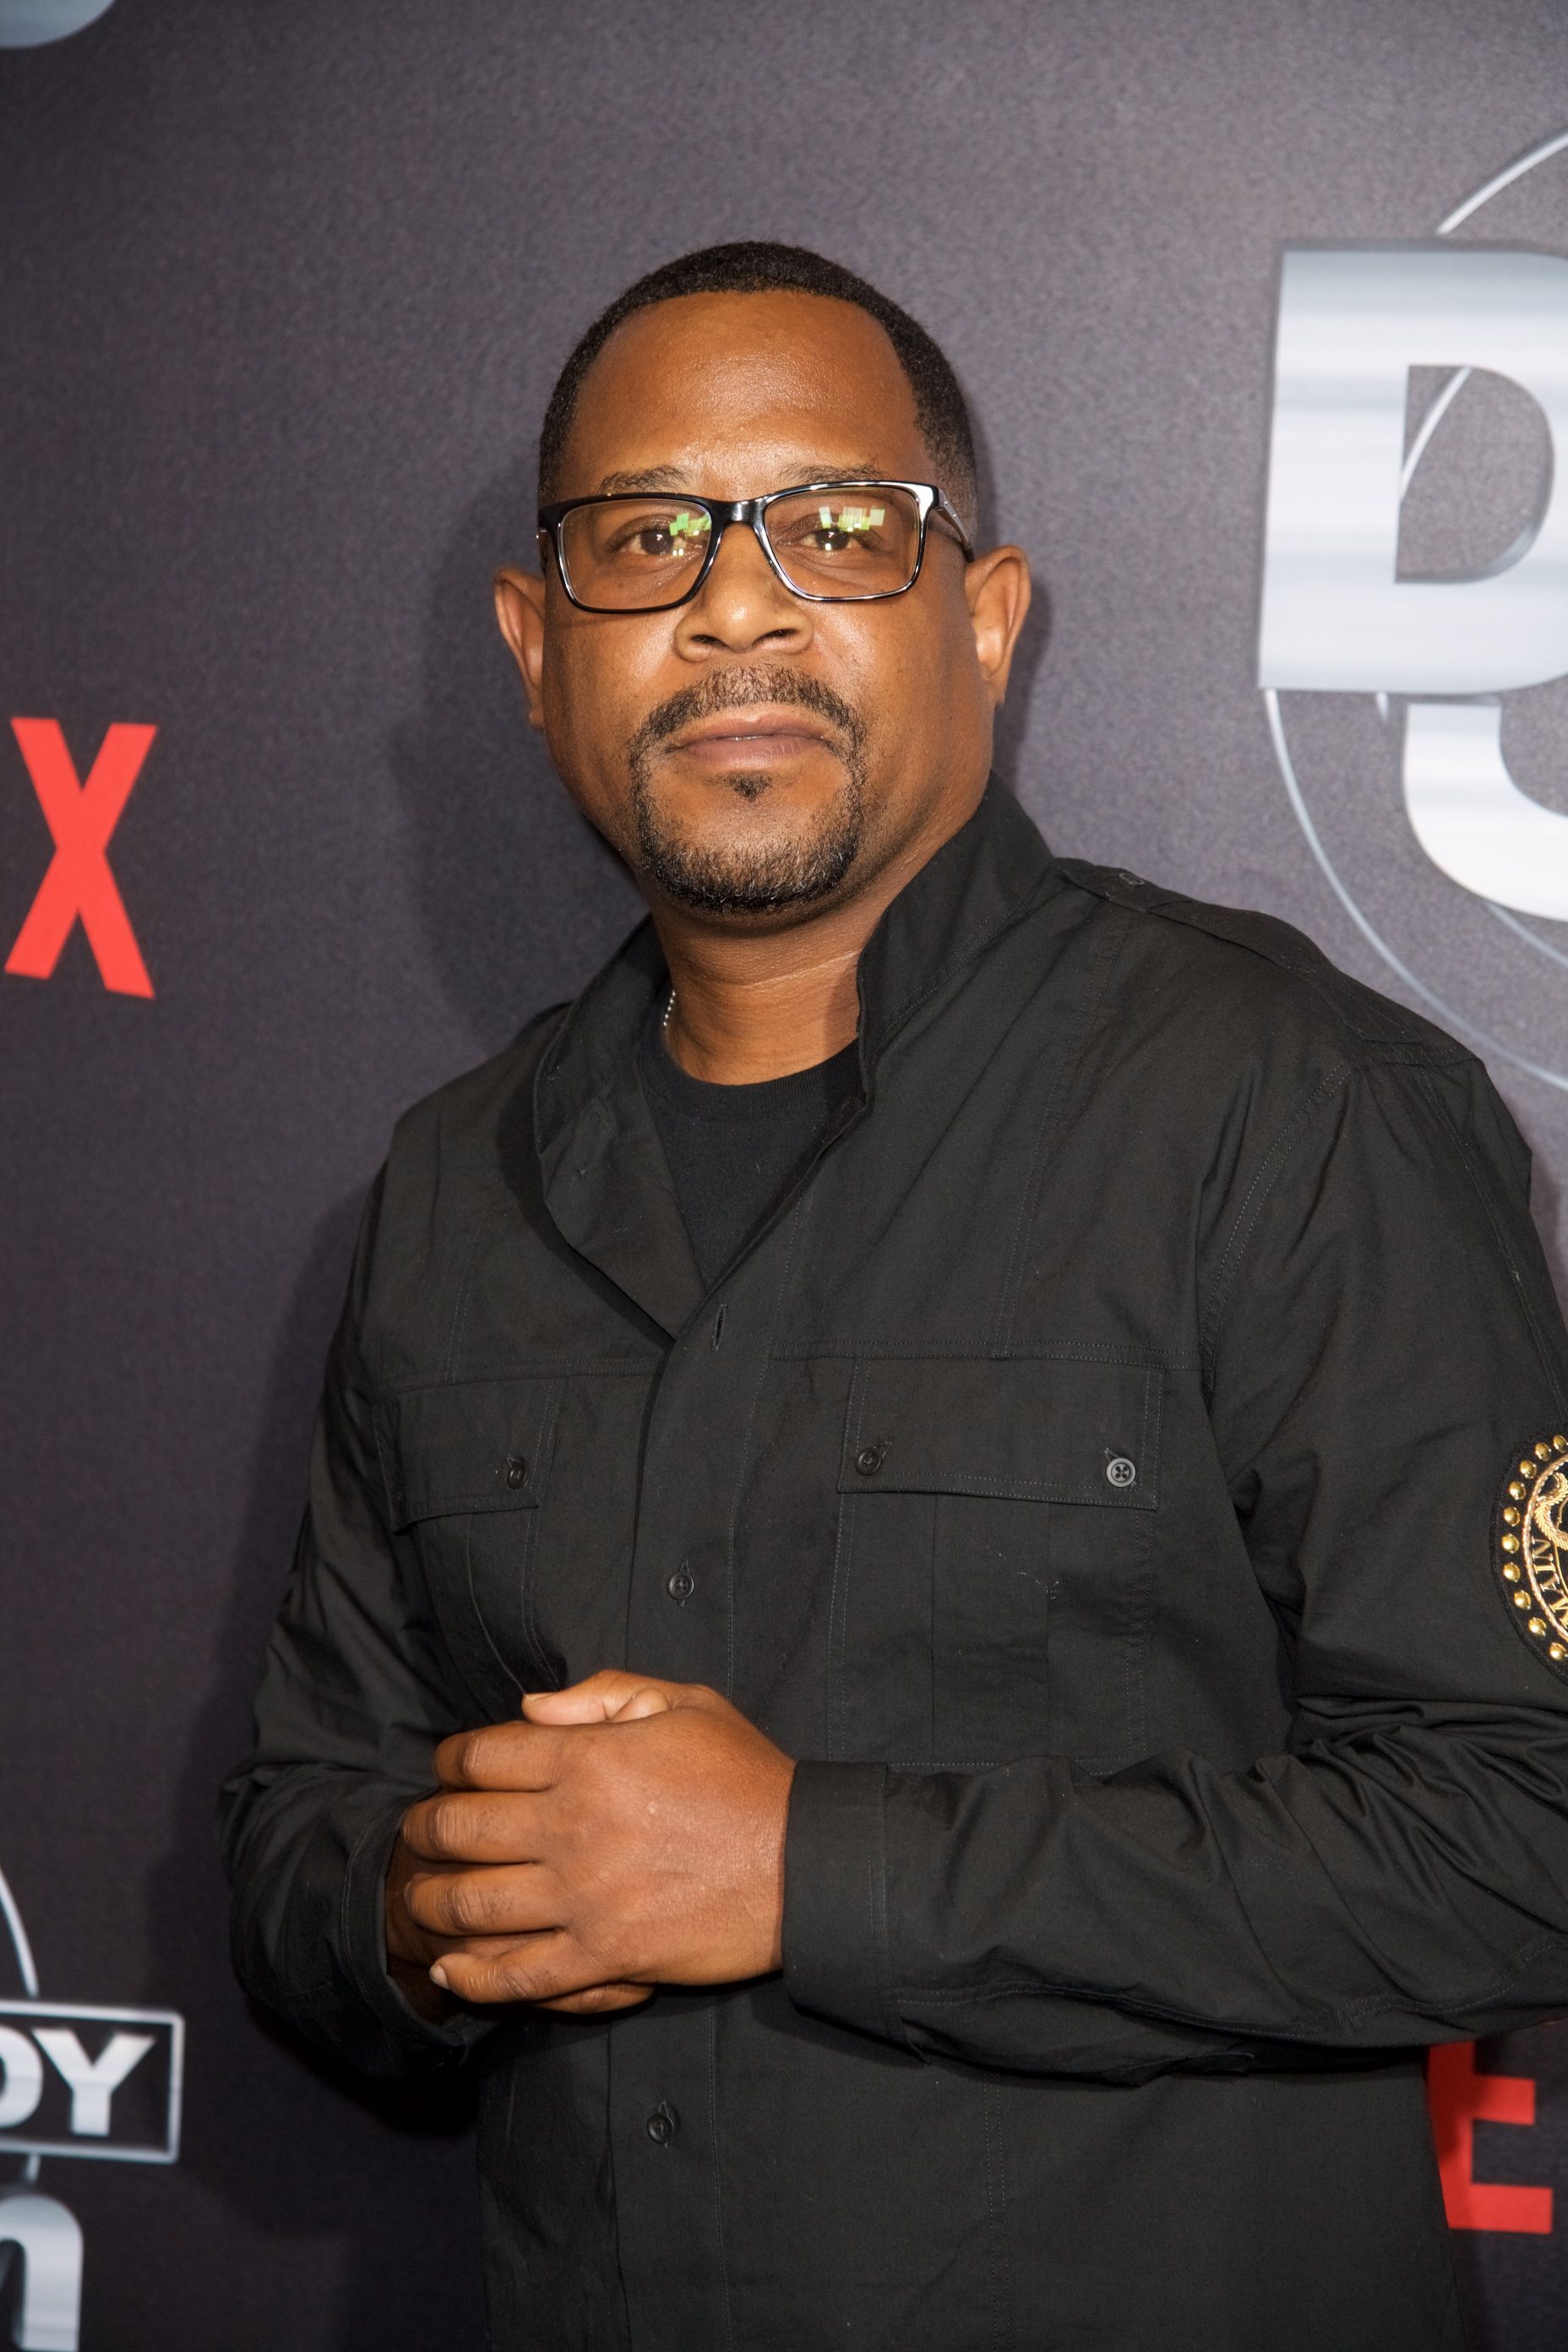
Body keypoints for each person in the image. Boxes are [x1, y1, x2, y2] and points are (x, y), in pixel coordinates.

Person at [221, 241, 1568, 2352]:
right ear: (532, 645)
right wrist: (434, 1907)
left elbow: (1522, 1828)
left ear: (989, 616)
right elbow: (305, 1833)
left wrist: (801, 1868)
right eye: (643, 539)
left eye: (836, 528)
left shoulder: (1281, 1103)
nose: (734, 605)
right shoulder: (449, 1191)